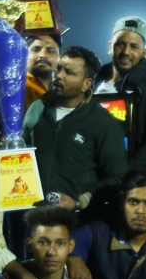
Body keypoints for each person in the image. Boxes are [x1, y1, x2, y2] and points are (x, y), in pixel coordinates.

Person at [22, 45, 128, 220]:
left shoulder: (103, 123)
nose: (59, 75)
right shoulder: (37, 108)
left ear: (86, 84)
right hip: (33, 218)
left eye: (69, 72)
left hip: (77, 222)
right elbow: (23, 157)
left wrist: (79, 202)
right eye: (59, 68)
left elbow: (117, 176)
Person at [92, 16, 146, 169]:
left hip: (126, 176)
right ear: (110, 46)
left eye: (134, 47)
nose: (126, 52)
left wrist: (124, 173)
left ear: (144, 52)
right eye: (120, 44)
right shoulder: (93, 82)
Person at [24, 34, 61, 111]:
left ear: (59, 58)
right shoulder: (18, 86)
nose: (43, 55)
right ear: (24, 54)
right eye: (35, 49)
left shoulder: (62, 90)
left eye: (51, 51)